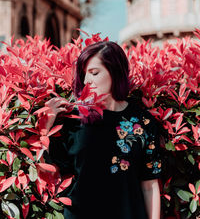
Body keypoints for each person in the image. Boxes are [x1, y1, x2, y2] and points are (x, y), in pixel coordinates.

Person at [45, 41, 162, 219]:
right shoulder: (73, 120)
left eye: (94, 73)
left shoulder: (143, 121)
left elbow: (150, 185)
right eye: (84, 75)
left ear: (115, 72)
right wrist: (46, 125)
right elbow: (50, 173)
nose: (86, 81)